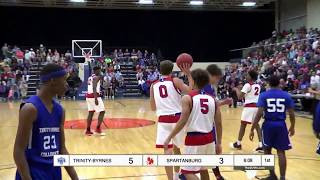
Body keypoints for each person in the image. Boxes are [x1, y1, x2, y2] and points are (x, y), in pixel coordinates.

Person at [13, 64, 78, 180]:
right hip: (34, 173)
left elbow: (62, 149)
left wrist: (75, 177)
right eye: (64, 80)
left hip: (54, 173)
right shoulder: (30, 108)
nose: (67, 85)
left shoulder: (60, 110)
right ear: (53, 81)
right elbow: (18, 151)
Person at [164, 69, 222, 180]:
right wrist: (218, 143)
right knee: (203, 169)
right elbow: (218, 123)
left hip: (194, 139)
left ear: (193, 81)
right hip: (210, 139)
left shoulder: (187, 98)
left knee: (186, 172)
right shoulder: (213, 100)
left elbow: (182, 121)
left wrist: (169, 137)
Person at [150, 60, 192, 180]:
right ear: (172, 70)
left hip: (163, 120)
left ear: (160, 70)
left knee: (167, 150)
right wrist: (188, 74)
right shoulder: (175, 80)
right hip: (177, 118)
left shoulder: (154, 85)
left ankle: (170, 178)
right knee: (177, 148)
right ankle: (176, 175)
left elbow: (153, 108)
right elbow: (191, 91)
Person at [249, 75, 295, 180]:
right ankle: (283, 177)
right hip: (281, 125)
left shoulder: (264, 95)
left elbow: (259, 113)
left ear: (269, 84)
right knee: (281, 152)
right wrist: (292, 126)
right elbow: (291, 114)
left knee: (267, 151)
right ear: (279, 83)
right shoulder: (286, 95)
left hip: (268, 125)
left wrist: (252, 128)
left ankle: (272, 175)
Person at [202, 64, 232, 180]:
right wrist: (225, 102)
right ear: (211, 75)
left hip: (203, 123)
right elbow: (211, 105)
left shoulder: (204, 85)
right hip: (206, 124)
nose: (218, 80)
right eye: (217, 78)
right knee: (209, 152)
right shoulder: (206, 87)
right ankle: (185, 174)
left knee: (208, 153)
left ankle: (218, 176)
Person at [231, 70, 263, 152]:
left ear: (251, 77)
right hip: (256, 107)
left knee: (243, 125)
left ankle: (238, 143)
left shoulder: (247, 85)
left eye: (247, 75)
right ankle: (261, 144)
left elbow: (239, 97)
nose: (246, 76)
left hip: (249, 108)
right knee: (257, 126)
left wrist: (236, 89)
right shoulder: (258, 85)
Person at [85, 66, 106, 136]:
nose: (100, 72)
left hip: (88, 96)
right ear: (96, 71)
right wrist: (96, 98)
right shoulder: (97, 77)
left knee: (91, 113)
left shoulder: (90, 77)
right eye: (99, 70)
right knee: (102, 111)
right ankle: (98, 128)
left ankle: (88, 130)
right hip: (94, 96)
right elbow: (94, 87)